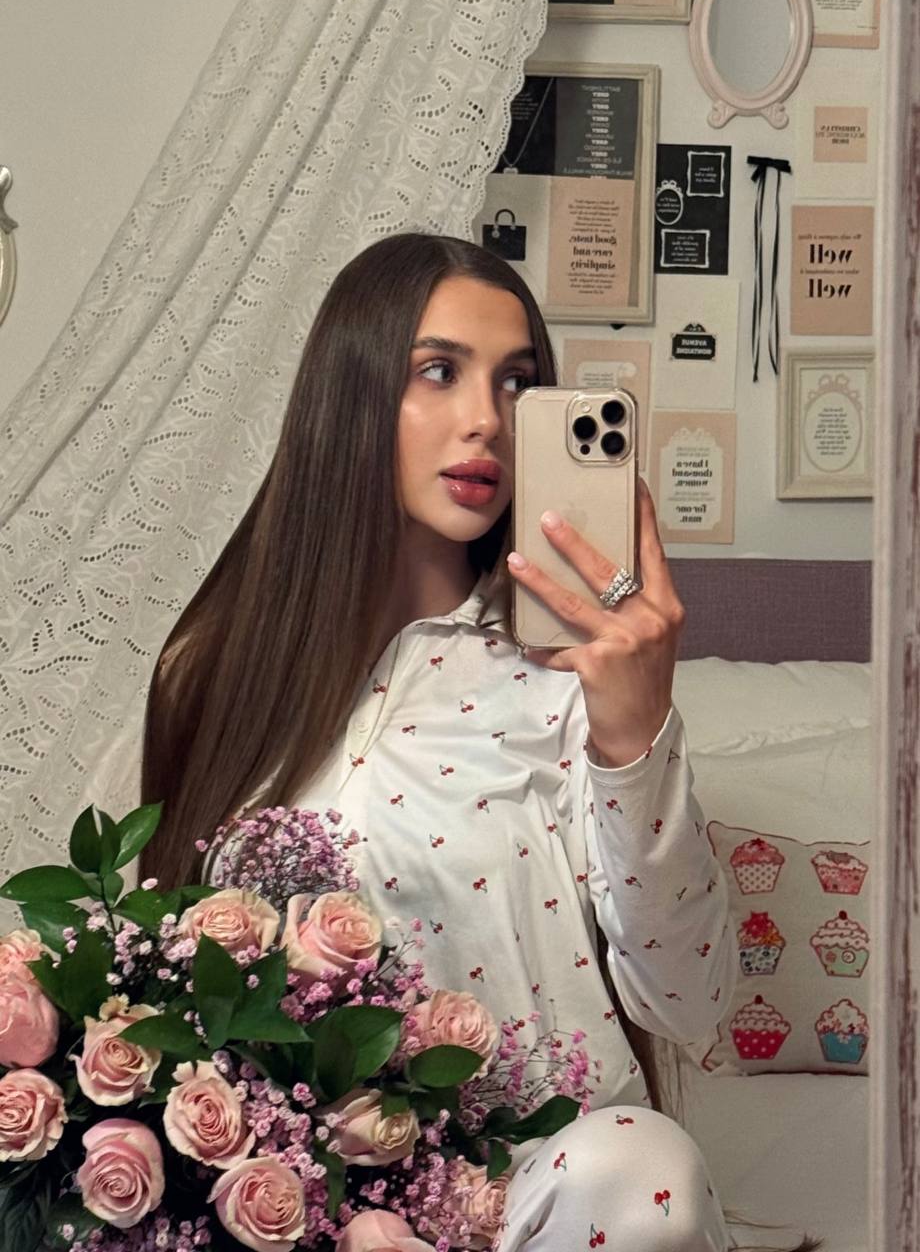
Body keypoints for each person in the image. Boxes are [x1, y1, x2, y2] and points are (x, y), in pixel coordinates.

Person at [140, 233, 823, 1251]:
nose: (487, 420)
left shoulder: (568, 678)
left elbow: (689, 1004)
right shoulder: (213, 672)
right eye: (438, 371)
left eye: (517, 382)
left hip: (542, 1197)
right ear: (351, 392)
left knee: (642, 1170)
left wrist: (634, 736)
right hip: (290, 1204)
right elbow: (159, 990)